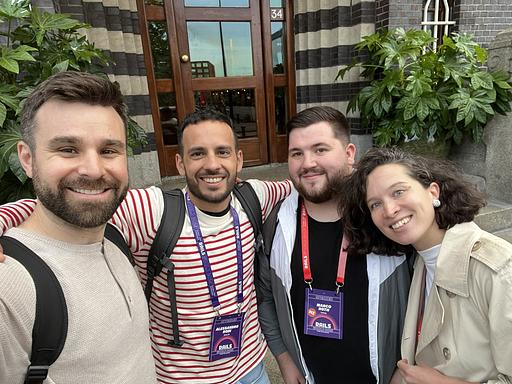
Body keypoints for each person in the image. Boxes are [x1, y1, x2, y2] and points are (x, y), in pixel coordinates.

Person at [0, 108, 292, 383]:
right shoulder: (152, 210)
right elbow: (68, 202)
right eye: (198, 153)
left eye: (222, 152)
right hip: (180, 379)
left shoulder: (255, 197)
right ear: (181, 163)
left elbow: (306, 183)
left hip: (252, 370)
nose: (212, 164)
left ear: (238, 160)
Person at [0, 71, 157, 383]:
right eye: (68, 149)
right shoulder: (8, 287)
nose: (93, 170)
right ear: (27, 159)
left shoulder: (115, 234)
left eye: (109, 150)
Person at [256, 106, 412, 384]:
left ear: (350, 153)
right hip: (311, 375)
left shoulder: (385, 216)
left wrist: (408, 366)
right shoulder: (277, 223)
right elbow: (266, 297)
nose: (307, 163)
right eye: (296, 154)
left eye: (320, 149)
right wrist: (283, 357)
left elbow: (429, 296)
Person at [339, 147, 512, 384]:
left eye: (398, 192)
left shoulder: (498, 267)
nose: (389, 210)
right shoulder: (420, 261)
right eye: (375, 204)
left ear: (433, 192)